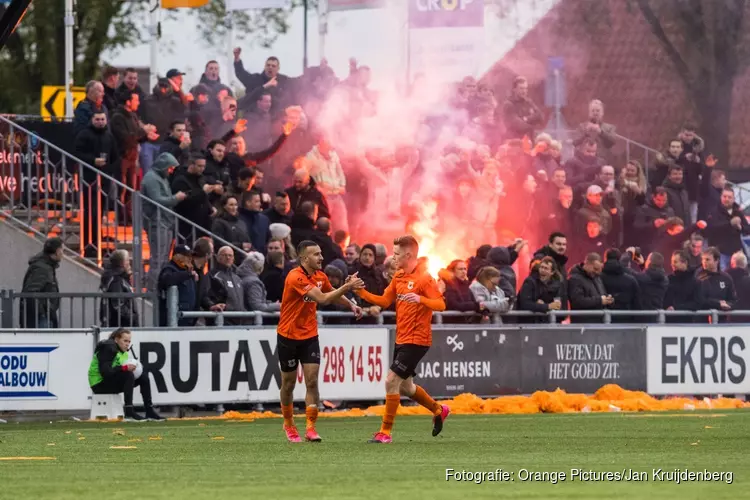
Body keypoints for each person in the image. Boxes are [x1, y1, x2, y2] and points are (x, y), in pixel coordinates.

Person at [353, 235, 450, 444]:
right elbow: (384, 300)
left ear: (408, 255)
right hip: (402, 338)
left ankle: (385, 433)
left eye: (396, 254)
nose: (393, 257)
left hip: (417, 340)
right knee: (406, 387)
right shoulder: (398, 277)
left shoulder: (424, 278)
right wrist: (360, 291)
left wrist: (420, 299)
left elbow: (441, 305)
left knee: (391, 381)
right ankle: (438, 410)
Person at [276, 241, 365, 443]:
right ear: (304, 258)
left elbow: (331, 292)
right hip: (288, 336)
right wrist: (348, 287)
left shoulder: (319, 276)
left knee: (312, 380)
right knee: (288, 384)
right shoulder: (295, 277)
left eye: (321, 253)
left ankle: (310, 427)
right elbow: (323, 299)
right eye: (316, 254)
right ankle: (289, 425)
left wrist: (351, 304)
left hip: (309, 335)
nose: (321, 258)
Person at [88, 328, 163, 421]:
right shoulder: (108, 347)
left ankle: (149, 410)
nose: (127, 344)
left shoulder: (123, 352)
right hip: (99, 384)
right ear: (116, 339)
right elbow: (105, 372)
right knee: (128, 374)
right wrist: (125, 368)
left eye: (129, 341)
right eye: (125, 341)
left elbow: (117, 372)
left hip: (109, 381)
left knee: (143, 376)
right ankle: (129, 411)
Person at [20, 237, 62, 328]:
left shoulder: (46, 266)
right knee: (44, 342)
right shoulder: (42, 268)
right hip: (41, 320)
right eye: (62, 250)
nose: (63, 254)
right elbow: (30, 293)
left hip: (43, 317)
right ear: (57, 251)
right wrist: (43, 313)